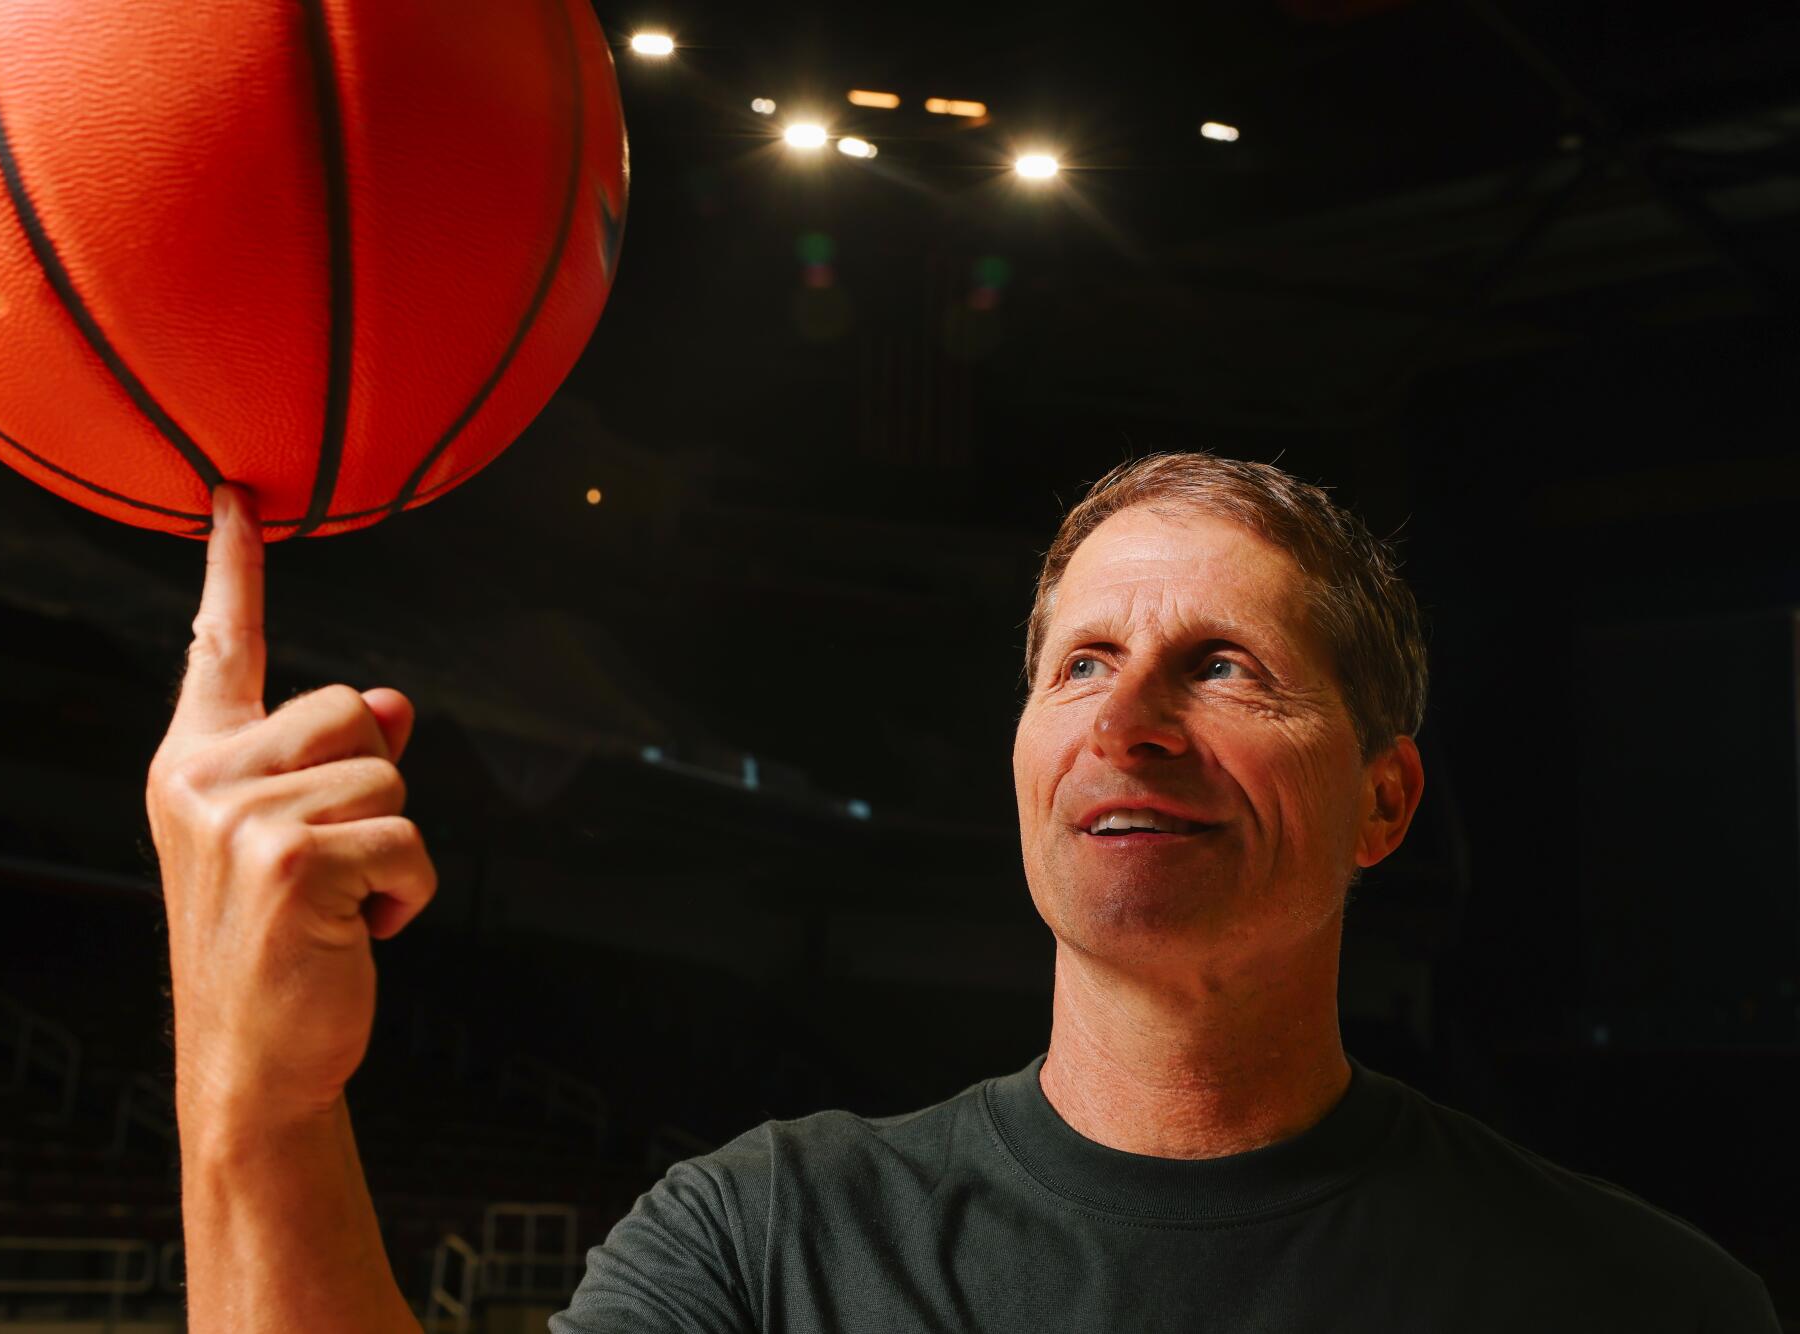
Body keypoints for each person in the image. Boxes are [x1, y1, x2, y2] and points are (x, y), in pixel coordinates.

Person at [146, 453, 1782, 1332]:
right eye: (1082, 661)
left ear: (1384, 800)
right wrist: (262, 1102)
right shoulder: (764, 1243)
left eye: (1222, 665)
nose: (1128, 719)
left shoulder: (1646, 1297)